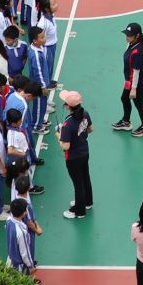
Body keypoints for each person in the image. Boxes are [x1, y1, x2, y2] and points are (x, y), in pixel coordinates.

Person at [57, 90, 94, 219]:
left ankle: (79, 211)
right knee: (85, 177)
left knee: (77, 184)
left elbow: (66, 146)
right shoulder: (85, 114)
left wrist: (59, 136)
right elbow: (90, 129)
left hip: (73, 158)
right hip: (84, 152)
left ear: (68, 106)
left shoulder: (68, 124)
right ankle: (87, 202)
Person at [116, 22, 143, 136]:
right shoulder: (132, 44)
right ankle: (126, 122)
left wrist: (133, 89)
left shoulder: (137, 52)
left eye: (130, 35)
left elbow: (136, 72)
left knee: (139, 103)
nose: (127, 37)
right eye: (127, 34)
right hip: (130, 80)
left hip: (136, 83)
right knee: (124, 98)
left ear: (137, 35)